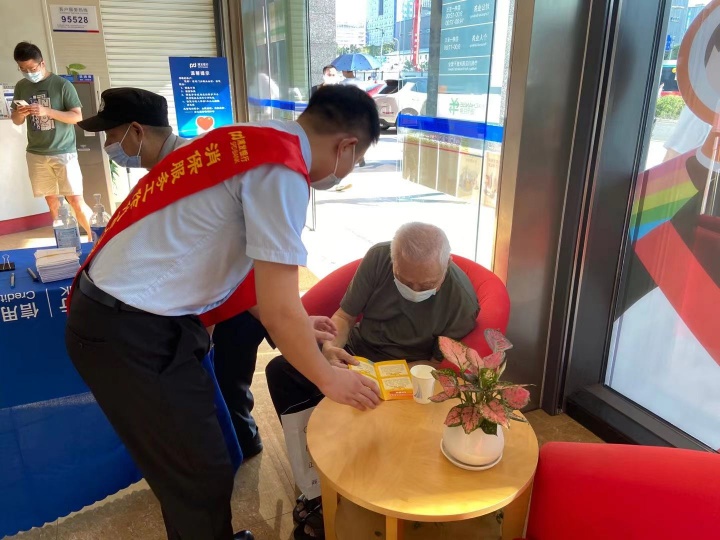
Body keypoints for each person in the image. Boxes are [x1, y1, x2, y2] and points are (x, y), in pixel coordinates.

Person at [65, 85, 382, 540]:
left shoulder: (253, 137)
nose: (350, 169)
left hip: (143, 316)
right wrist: (330, 380)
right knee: (197, 476)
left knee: (209, 457)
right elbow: (279, 310)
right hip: (129, 329)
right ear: (346, 146)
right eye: (358, 159)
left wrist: (296, 319)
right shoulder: (282, 170)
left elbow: (232, 258)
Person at [266, 222, 480, 540]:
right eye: (405, 281)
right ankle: (315, 483)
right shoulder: (378, 259)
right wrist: (330, 352)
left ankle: (349, 478)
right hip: (357, 353)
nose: (416, 290)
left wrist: (388, 377)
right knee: (281, 371)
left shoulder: (461, 300)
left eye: (426, 284)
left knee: (362, 405)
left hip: (406, 370)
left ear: (446, 266)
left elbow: (435, 364)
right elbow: (344, 317)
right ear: (394, 262)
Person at [10, 41, 91, 236]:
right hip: (36, 153)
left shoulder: (62, 85)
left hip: (63, 152)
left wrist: (47, 111)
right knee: (52, 201)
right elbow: (16, 120)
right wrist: (20, 113)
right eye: (23, 69)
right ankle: (63, 241)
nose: (28, 73)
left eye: (32, 68)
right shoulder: (21, 86)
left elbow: (77, 117)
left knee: (75, 200)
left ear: (42, 63)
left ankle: (96, 239)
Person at [78, 87, 185, 169]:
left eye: (111, 135)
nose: (106, 144)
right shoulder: (164, 168)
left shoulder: (187, 167)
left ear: (137, 131)